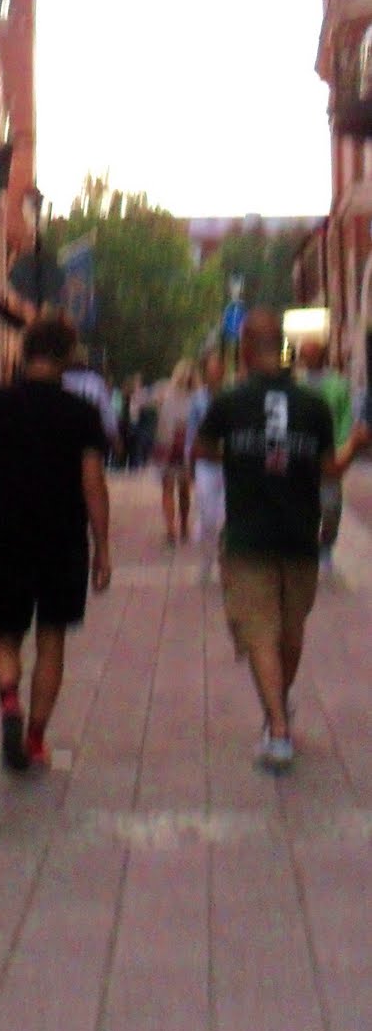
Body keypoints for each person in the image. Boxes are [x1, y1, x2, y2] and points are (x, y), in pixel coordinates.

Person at [193, 309, 369, 772]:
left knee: (262, 635)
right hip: (300, 536)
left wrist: (238, 455)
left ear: (246, 351)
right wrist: (354, 445)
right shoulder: (313, 405)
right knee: (288, 634)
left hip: (247, 536)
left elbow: (201, 449)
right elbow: (329, 471)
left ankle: (277, 722)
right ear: (285, 349)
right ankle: (279, 722)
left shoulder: (229, 402)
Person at [0, 314, 111, 770]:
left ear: (25, 353)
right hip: (63, 541)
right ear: (67, 356)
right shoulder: (81, 413)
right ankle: (37, 739)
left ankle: (9, 700)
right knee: (51, 640)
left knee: (5, 635)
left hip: (8, 536)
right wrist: (102, 547)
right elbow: (93, 484)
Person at [296, 340, 354, 571]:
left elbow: (345, 420)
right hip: (302, 455)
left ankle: (326, 546)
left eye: (313, 353)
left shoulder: (339, 385)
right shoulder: (297, 385)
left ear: (322, 355)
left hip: (329, 454)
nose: (309, 358)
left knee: (330, 505)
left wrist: (342, 449)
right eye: (305, 354)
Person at [185, 348, 226, 584]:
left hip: (228, 463)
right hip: (205, 463)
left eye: (218, 369)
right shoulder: (198, 400)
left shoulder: (231, 397)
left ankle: (223, 562)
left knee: (225, 516)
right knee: (208, 515)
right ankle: (206, 561)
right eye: (211, 369)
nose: (215, 373)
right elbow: (191, 433)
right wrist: (190, 462)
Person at [154, 359, 198, 545]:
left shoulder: (166, 393)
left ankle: (175, 528)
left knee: (174, 488)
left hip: (172, 444)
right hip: (179, 444)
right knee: (179, 488)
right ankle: (178, 528)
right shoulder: (195, 396)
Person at [63, 345, 121, 461]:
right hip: (87, 439)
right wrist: (116, 441)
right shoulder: (94, 381)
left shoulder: (59, 379)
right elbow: (107, 414)